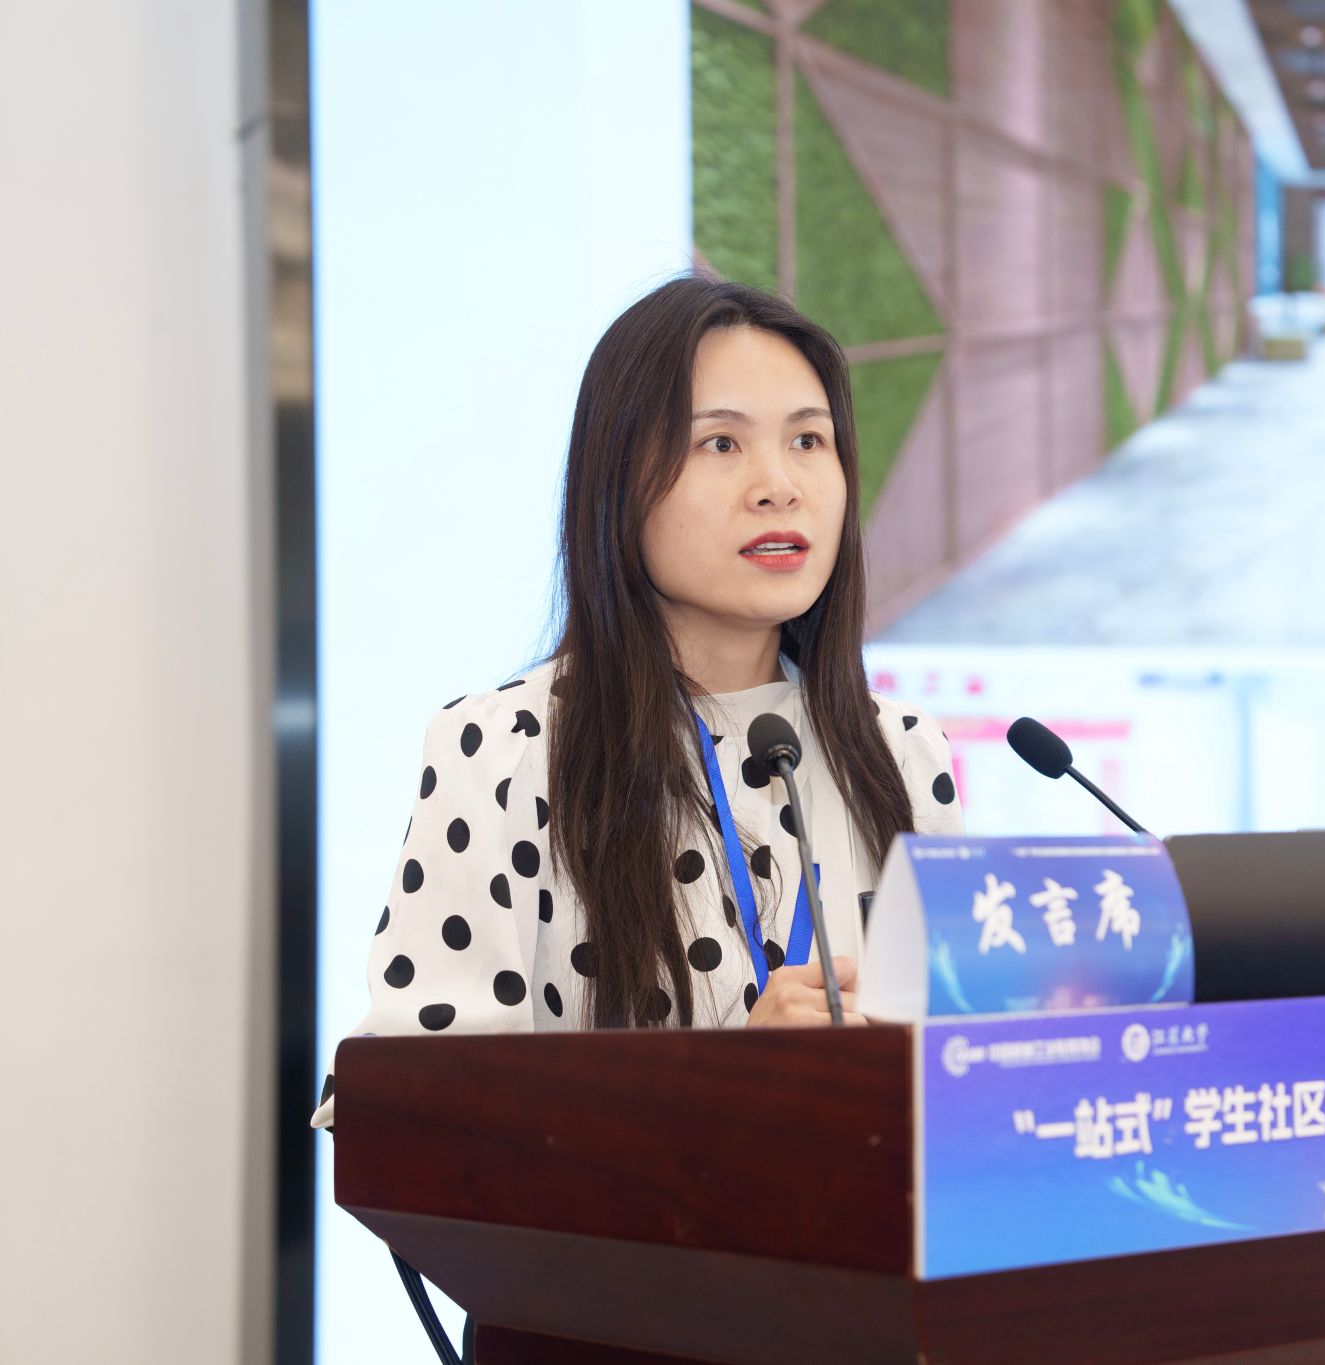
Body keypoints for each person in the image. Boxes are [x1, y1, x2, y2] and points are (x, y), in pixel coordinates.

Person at [313, 277, 962, 1130]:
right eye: (719, 443)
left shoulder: (902, 753)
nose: (779, 485)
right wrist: (724, 1091)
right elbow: (410, 1120)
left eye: (809, 440)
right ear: (620, 483)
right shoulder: (507, 749)